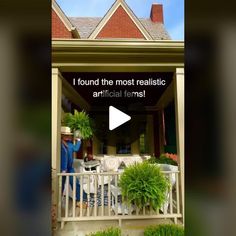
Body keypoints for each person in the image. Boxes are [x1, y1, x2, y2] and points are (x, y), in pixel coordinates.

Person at [61, 126, 87, 208]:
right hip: (61, 169)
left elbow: (76, 149)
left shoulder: (70, 145)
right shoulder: (59, 145)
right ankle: (58, 201)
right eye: (65, 135)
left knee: (75, 183)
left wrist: (79, 140)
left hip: (70, 168)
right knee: (60, 185)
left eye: (68, 135)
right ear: (61, 136)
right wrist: (63, 169)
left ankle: (81, 199)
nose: (68, 136)